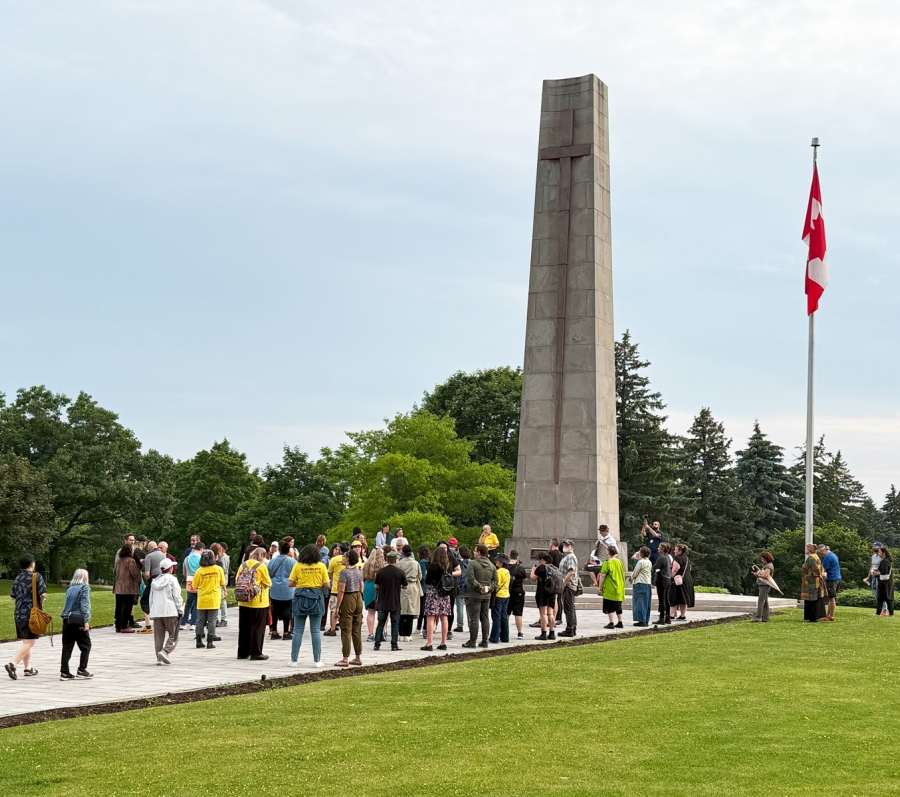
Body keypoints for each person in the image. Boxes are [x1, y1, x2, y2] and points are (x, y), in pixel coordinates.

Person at [287, 544, 330, 668]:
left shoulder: (298, 565)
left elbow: (290, 583)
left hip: (300, 596)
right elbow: (327, 584)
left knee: (298, 630)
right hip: (316, 597)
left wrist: (301, 582)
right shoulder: (321, 566)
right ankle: (317, 660)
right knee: (315, 631)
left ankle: (294, 660)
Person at [6, 554, 47, 680]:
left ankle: (27, 668)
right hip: (31, 615)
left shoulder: (18, 578)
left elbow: (13, 596)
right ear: (32, 564)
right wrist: (39, 605)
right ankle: (13, 664)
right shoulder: (37, 576)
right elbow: (43, 595)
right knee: (30, 641)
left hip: (18, 613)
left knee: (26, 641)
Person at [236, 547, 272, 660]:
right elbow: (268, 582)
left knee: (244, 628)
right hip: (258, 602)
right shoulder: (261, 566)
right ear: (262, 556)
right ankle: (256, 652)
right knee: (257, 628)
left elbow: (238, 579)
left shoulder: (243, 565)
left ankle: (242, 652)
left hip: (243, 601)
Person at [422, 546, 460, 651]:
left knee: (430, 617)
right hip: (444, 593)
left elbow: (428, 580)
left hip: (434, 592)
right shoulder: (447, 566)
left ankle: (429, 643)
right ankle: (443, 642)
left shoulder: (433, 566)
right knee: (444, 617)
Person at [59, 569, 93, 680]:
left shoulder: (70, 589)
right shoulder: (85, 588)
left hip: (67, 619)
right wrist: (86, 620)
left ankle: (64, 671)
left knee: (67, 646)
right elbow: (84, 605)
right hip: (78, 619)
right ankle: (82, 669)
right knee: (86, 645)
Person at [149, 558, 183, 664]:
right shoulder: (172, 579)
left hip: (157, 611)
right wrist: (180, 609)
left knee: (158, 636)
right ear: (171, 568)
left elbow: (151, 598)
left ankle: (158, 656)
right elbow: (176, 595)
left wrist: (152, 610)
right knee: (174, 635)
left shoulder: (155, 581)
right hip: (170, 611)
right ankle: (165, 651)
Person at [462, 544, 497, 648]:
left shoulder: (472, 563)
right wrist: (488, 588)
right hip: (486, 596)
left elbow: (470, 578)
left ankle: (472, 641)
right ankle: (485, 641)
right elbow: (495, 581)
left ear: (479, 552)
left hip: (474, 594)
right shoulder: (492, 565)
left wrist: (479, 587)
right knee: (485, 618)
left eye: (475, 550)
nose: (474, 552)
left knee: (474, 618)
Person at [373, 551, 408, 651]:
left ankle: (377, 644)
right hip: (395, 602)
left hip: (383, 601)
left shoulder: (381, 571)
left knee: (381, 623)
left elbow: (376, 585)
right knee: (395, 624)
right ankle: (394, 645)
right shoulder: (400, 572)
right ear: (396, 560)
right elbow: (405, 586)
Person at [335, 550, 364, 667]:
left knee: (346, 628)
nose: (342, 558)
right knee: (356, 628)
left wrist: (337, 607)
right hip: (358, 597)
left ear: (347, 559)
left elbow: (341, 590)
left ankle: (345, 658)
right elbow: (361, 587)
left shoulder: (344, 572)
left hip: (348, 597)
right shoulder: (358, 571)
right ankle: (358, 657)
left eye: (344, 556)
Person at [193, 550, 226, 649]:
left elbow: (195, 585)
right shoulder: (218, 569)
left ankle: (199, 641)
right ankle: (210, 641)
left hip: (202, 598)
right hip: (214, 598)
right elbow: (222, 582)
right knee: (212, 620)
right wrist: (225, 592)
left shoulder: (199, 571)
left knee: (200, 620)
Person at [268, 540, 296, 640]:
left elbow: (269, 573)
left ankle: (274, 631)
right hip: (288, 588)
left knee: (275, 609)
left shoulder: (273, 561)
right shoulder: (292, 562)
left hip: (275, 587)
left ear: (279, 549)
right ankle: (286, 631)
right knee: (287, 610)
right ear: (289, 550)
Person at [114, 543, 141, 633]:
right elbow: (135, 574)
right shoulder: (131, 561)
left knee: (119, 607)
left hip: (118, 587)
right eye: (132, 550)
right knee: (126, 607)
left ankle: (118, 626)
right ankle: (124, 626)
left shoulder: (119, 561)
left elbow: (115, 572)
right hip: (128, 587)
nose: (133, 551)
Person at [398, 544, 422, 642]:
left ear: (402, 553)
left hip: (402, 587)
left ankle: (401, 633)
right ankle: (408, 634)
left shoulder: (399, 563)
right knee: (411, 611)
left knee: (401, 610)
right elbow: (420, 576)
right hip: (413, 586)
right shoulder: (416, 563)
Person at [530, 552, 557, 640]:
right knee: (550, 613)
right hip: (551, 592)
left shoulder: (541, 567)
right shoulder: (553, 567)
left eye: (539, 560)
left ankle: (544, 632)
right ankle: (552, 632)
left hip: (542, 593)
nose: (538, 561)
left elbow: (533, 578)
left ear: (542, 559)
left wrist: (533, 571)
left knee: (543, 613)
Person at [362, 547, 387, 642]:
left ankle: (370, 634)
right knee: (383, 612)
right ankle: (382, 632)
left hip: (368, 587)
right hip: (380, 588)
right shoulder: (383, 566)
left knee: (371, 612)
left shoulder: (366, 565)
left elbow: (363, 577)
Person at [598, 545, 625, 629]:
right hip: (619, 586)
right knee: (618, 605)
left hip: (610, 586)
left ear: (609, 552)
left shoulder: (607, 562)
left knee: (610, 605)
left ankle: (611, 622)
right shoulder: (619, 562)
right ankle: (620, 622)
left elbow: (602, 575)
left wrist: (600, 586)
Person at [800, 543, 827, 623]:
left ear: (809, 549)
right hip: (815, 581)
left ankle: (813, 616)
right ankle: (815, 616)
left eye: (806, 548)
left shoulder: (812, 557)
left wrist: (812, 576)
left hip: (811, 581)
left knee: (812, 598)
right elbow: (821, 568)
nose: (804, 549)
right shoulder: (816, 556)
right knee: (815, 598)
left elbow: (816, 569)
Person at [180, 541, 204, 630]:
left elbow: (184, 572)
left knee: (189, 602)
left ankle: (183, 623)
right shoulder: (201, 559)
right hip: (199, 582)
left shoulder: (187, 558)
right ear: (201, 549)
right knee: (197, 603)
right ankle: (193, 623)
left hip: (189, 580)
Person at [324, 543, 346, 636]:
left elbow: (329, 573)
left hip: (336, 588)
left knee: (334, 608)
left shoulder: (334, 559)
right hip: (347, 588)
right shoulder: (350, 558)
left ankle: (332, 628)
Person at [558, 540, 579, 637]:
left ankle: (570, 629)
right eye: (564, 545)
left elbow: (571, 572)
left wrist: (564, 583)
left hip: (568, 585)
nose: (565, 546)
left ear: (572, 547)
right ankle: (572, 627)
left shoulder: (570, 557)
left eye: (567, 545)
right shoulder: (566, 556)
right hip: (568, 585)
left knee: (568, 607)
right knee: (570, 606)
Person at [669, 544, 695, 621]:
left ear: (680, 551)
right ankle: (682, 615)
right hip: (687, 579)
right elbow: (689, 568)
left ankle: (671, 615)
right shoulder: (686, 559)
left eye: (675, 550)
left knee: (674, 596)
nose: (674, 551)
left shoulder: (677, 559)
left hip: (678, 580)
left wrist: (671, 577)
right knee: (684, 598)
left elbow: (675, 569)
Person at [489, 554, 511, 644]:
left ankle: (494, 637)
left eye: (497, 560)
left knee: (496, 616)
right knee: (504, 616)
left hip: (498, 595)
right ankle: (505, 637)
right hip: (506, 594)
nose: (496, 562)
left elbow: (496, 583)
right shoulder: (507, 571)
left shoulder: (499, 572)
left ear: (501, 562)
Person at [818, 544, 842, 621]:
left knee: (831, 597)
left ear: (823, 550)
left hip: (832, 579)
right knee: (832, 597)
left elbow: (823, 569)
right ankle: (828, 615)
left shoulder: (828, 557)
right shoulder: (833, 555)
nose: (821, 554)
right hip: (837, 578)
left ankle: (831, 615)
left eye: (821, 553)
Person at [507, 550, 528, 639]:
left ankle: (504, 631)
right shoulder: (521, 568)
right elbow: (525, 579)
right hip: (518, 592)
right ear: (517, 557)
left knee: (506, 613)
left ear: (509, 557)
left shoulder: (505, 567)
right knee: (518, 613)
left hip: (507, 592)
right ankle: (519, 632)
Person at [651, 542, 672, 626]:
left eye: (659, 547)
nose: (658, 549)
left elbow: (654, 568)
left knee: (662, 599)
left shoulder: (662, 558)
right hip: (668, 579)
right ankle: (668, 617)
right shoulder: (668, 557)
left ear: (662, 549)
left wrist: (656, 570)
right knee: (666, 599)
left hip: (662, 579)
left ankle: (661, 618)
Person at [631, 547, 652, 627]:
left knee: (639, 602)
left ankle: (641, 620)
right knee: (646, 602)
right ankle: (646, 619)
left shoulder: (640, 562)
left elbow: (635, 572)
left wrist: (631, 578)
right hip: (647, 583)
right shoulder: (649, 562)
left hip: (640, 582)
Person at [211, 542, 230, 627]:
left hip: (222, 581)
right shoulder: (220, 557)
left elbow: (224, 570)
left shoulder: (224, 558)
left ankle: (224, 619)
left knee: (222, 600)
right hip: (219, 581)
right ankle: (219, 618)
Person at [754, 552, 775, 623]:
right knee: (765, 602)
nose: (762, 560)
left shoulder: (768, 566)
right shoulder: (768, 565)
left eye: (763, 559)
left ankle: (758, 617)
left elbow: (766, 576)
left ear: (766, 559)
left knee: (761, 601)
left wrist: (757, 575)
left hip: (764, 585)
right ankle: (766, 618)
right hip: (764, 585)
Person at [454, 545, 471, 633]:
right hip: (469, 586)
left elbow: (459, 575)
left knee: (459, 606)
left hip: (460, 586)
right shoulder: (471, 562)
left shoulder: (459, 562)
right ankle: (470, 624)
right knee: (469, 607)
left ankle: (460, 625)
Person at [876, 547, 894, 617]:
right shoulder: (888, 561)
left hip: (884, 582)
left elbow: (884, 571)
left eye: (879, 552)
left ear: (884, 553)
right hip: (888, 582)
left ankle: (879, 613)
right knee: (888, 598)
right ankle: (891, 614)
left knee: (883, 598)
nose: (878, 553)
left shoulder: (885, 561)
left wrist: (877, 573)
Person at [417, 545, 431, 635]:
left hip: (423, 587)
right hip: (429, 587)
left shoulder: (422, 562)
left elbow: (422, 576)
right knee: (426, 608)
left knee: (422, 608)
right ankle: (425, 627)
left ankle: (420, 627)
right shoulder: (430, 561)